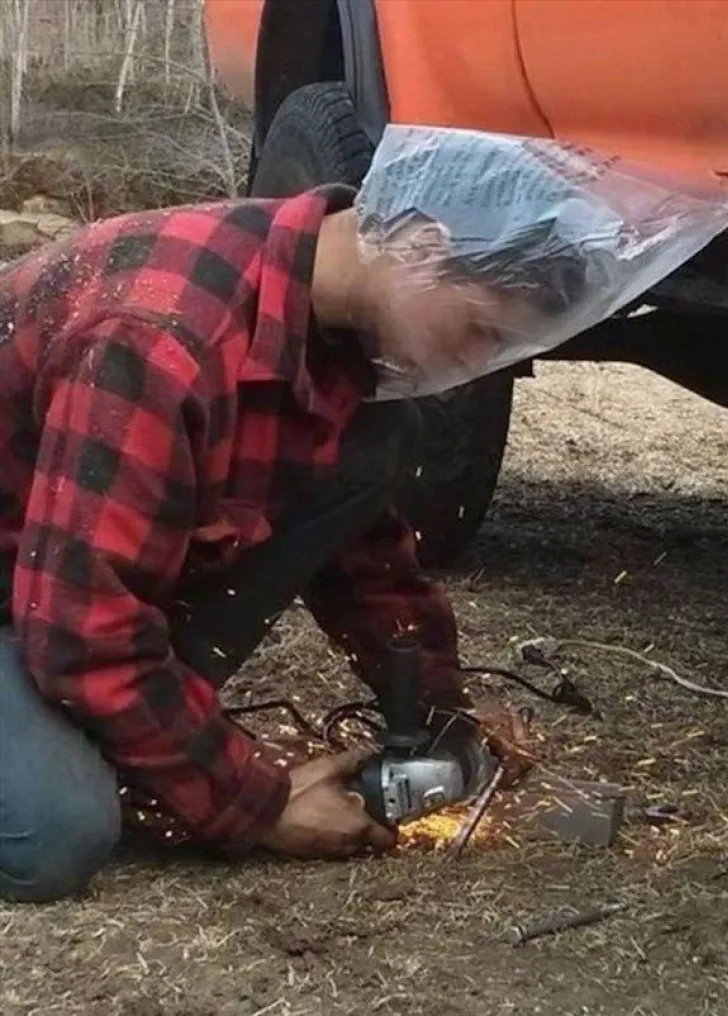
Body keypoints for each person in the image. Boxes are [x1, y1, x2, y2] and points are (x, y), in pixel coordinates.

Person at [0, 183, 534, 904]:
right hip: (42, 594)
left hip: (53, 568)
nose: (476, 361)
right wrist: (257, 804)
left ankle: (102, 729)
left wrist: (442, 713)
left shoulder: (327, 318)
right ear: (423, 249)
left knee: (374, 446)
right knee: (54, 832)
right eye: (477, 329)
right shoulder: (158, 336)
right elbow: (79, 629)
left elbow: (363, 556)